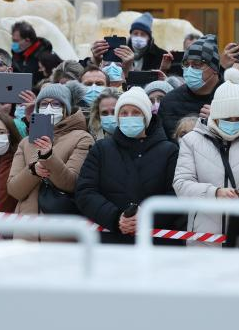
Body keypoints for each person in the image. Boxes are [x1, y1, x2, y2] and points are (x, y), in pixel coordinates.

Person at [173, 67, 239, 241]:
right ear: (215, 115)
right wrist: (215, 193)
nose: (233, 123)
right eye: (227, 119)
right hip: (203, 238)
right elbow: (181, 184)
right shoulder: (192, 140)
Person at [76, 87, 183, 245]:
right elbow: (85, 191)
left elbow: (176, 194)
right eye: (124, 113)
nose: (129, 117)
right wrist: (116, 217)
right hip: (110, 242)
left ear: (146, 117)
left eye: (136, 112)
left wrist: (146, 215)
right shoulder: (101, 149)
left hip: (156, 245)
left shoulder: (169, 151)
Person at [7, 83, 92, 221]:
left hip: (59, 229)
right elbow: (14, 190)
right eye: (44, 104)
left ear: (66, 108)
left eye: (56, 104)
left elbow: (71, 184)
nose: (49, 108)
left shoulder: (82, 138)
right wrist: (33, 171)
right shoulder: (26, 142)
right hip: (26, 229)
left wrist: (48, 158)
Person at [158, 35, 239, 139]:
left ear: (214, 68)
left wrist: (223, 121)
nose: (190, 70)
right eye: (186, 64)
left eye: (197, 64)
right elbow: (167, 144)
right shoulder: (170, 101)